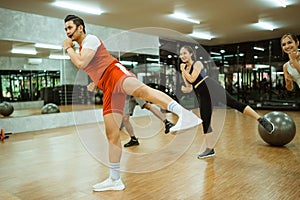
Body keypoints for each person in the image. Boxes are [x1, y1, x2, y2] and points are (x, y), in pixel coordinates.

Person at [62, 15, 202, 192]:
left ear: (80, 28)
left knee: (143, 91)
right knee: (112, 134)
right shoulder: (82, 47)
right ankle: (114, 179)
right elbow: (94, 66)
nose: (67, 32)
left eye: (69, 28)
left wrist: (68, 49)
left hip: (115, 73)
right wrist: (96, 83)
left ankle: (184, 114)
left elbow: (81, 63)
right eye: (65, 29)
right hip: (107, 87)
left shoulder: (90, 39)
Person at [179, 45, 275, 159]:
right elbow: (189, 86)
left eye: (185, 53)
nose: (182, 56)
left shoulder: (197, 64)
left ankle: (260, 119)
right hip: (203, 93)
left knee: (234, 103)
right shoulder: (186, 69)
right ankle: (210, 149)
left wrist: (182, 71)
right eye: (181, 54)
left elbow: (192, 78)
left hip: (211, 87)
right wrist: (185, 87)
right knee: (205, 120)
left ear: (191, 54)